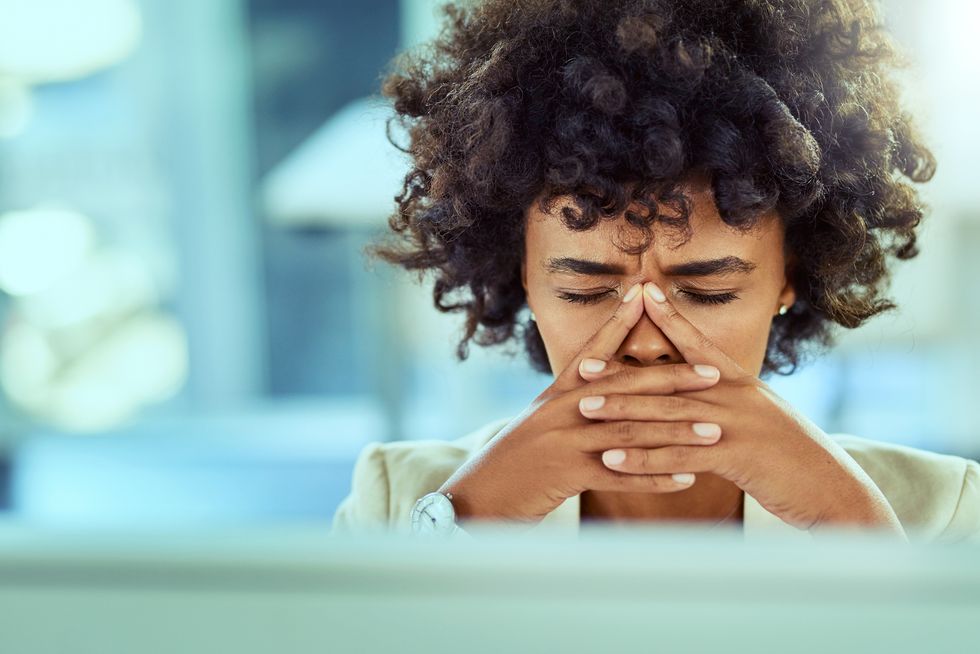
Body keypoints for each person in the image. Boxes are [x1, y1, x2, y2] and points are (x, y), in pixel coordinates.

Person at [330, 0, 979, 541]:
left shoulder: (941, 516)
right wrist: (466, 528)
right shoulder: (400, 507)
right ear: (520, 274)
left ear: (791, 274)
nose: (644, 341)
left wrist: (855, 533)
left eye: (707, 290)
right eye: (585, 290)